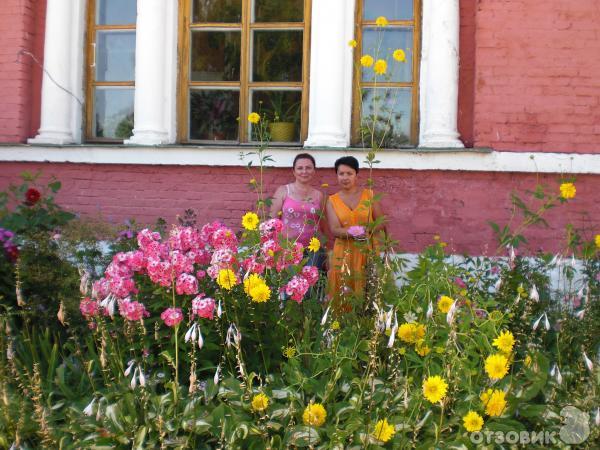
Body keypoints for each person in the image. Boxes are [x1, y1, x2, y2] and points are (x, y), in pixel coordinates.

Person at [326, 156, 385, 307]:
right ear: (336, 175)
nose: (345, 178)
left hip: (367, 251)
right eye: (341, 174)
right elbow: (334, 229)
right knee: (342, 292)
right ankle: (340, 327)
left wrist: (367, 230)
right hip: (343, 253)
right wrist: (353, 233)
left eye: (349, 173)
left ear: (356, 175)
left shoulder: (369, 195)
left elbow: (381, 222)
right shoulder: (332, 200)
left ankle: (366, 326)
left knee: (367, 290)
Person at [269, 153, 326, 268]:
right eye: (300, 168)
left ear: (314, 171)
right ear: (294, 171)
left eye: (308, 168)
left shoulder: (319, 196)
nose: (304, 171)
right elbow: (272, 222)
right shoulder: (283, 191)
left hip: (312, 251)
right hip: (287, 248)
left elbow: (322, 226)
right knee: (288, 284)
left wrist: (326, 250)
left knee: (311, 285)